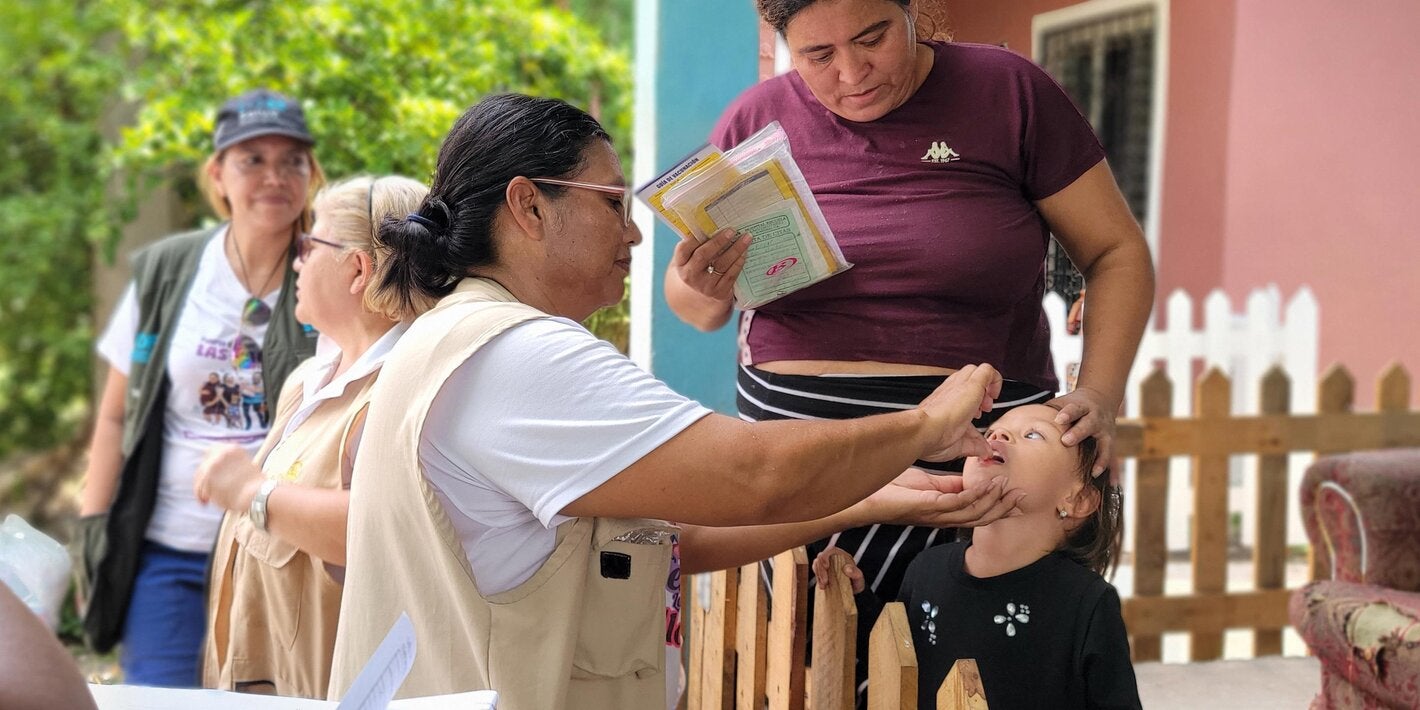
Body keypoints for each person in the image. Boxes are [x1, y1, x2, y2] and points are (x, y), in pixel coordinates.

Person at [328, 93, 1012, 710]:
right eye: (612, 204)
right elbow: (753, 474)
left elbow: (668, 535)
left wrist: (876, 497)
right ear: (529, 206)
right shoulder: (517, 354)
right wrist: (925, 422)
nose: (633, 234)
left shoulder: (454, 337)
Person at [663, 0, 1154, 631]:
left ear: (912, 13)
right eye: (818, 55)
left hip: (982, 444)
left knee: (985, 661)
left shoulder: (1007, 92)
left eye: (873, 38)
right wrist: (699, 283)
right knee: (822, 661)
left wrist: (1101, 391)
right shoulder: (759, 119)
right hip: (807, 455)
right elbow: (697, 312)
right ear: (784, 45)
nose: (852, 72)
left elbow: (1117, 252)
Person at [75, 88, 324, 686]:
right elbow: (113, 418)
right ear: (217, 174)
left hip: (283, 556)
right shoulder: (168, 270)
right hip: (172, 553)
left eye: (292, 160)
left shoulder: (328, 269)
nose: (275, 176)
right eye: (252, 159)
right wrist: (93, 535)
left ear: (312, 174)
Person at [193, 175, 428, 698]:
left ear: (357, 269)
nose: (296, 263)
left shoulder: (397, 389)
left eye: (308, 246)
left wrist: (252, 492)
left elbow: (382, 531)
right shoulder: (307, 382)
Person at [815, 404, 1141, 709]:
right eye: (992, 431)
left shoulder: (1087, 601)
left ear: (1078, 499)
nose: (997, 436)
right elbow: (896, 654)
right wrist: (857, 595)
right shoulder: (927, 568)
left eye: (1033, 434)